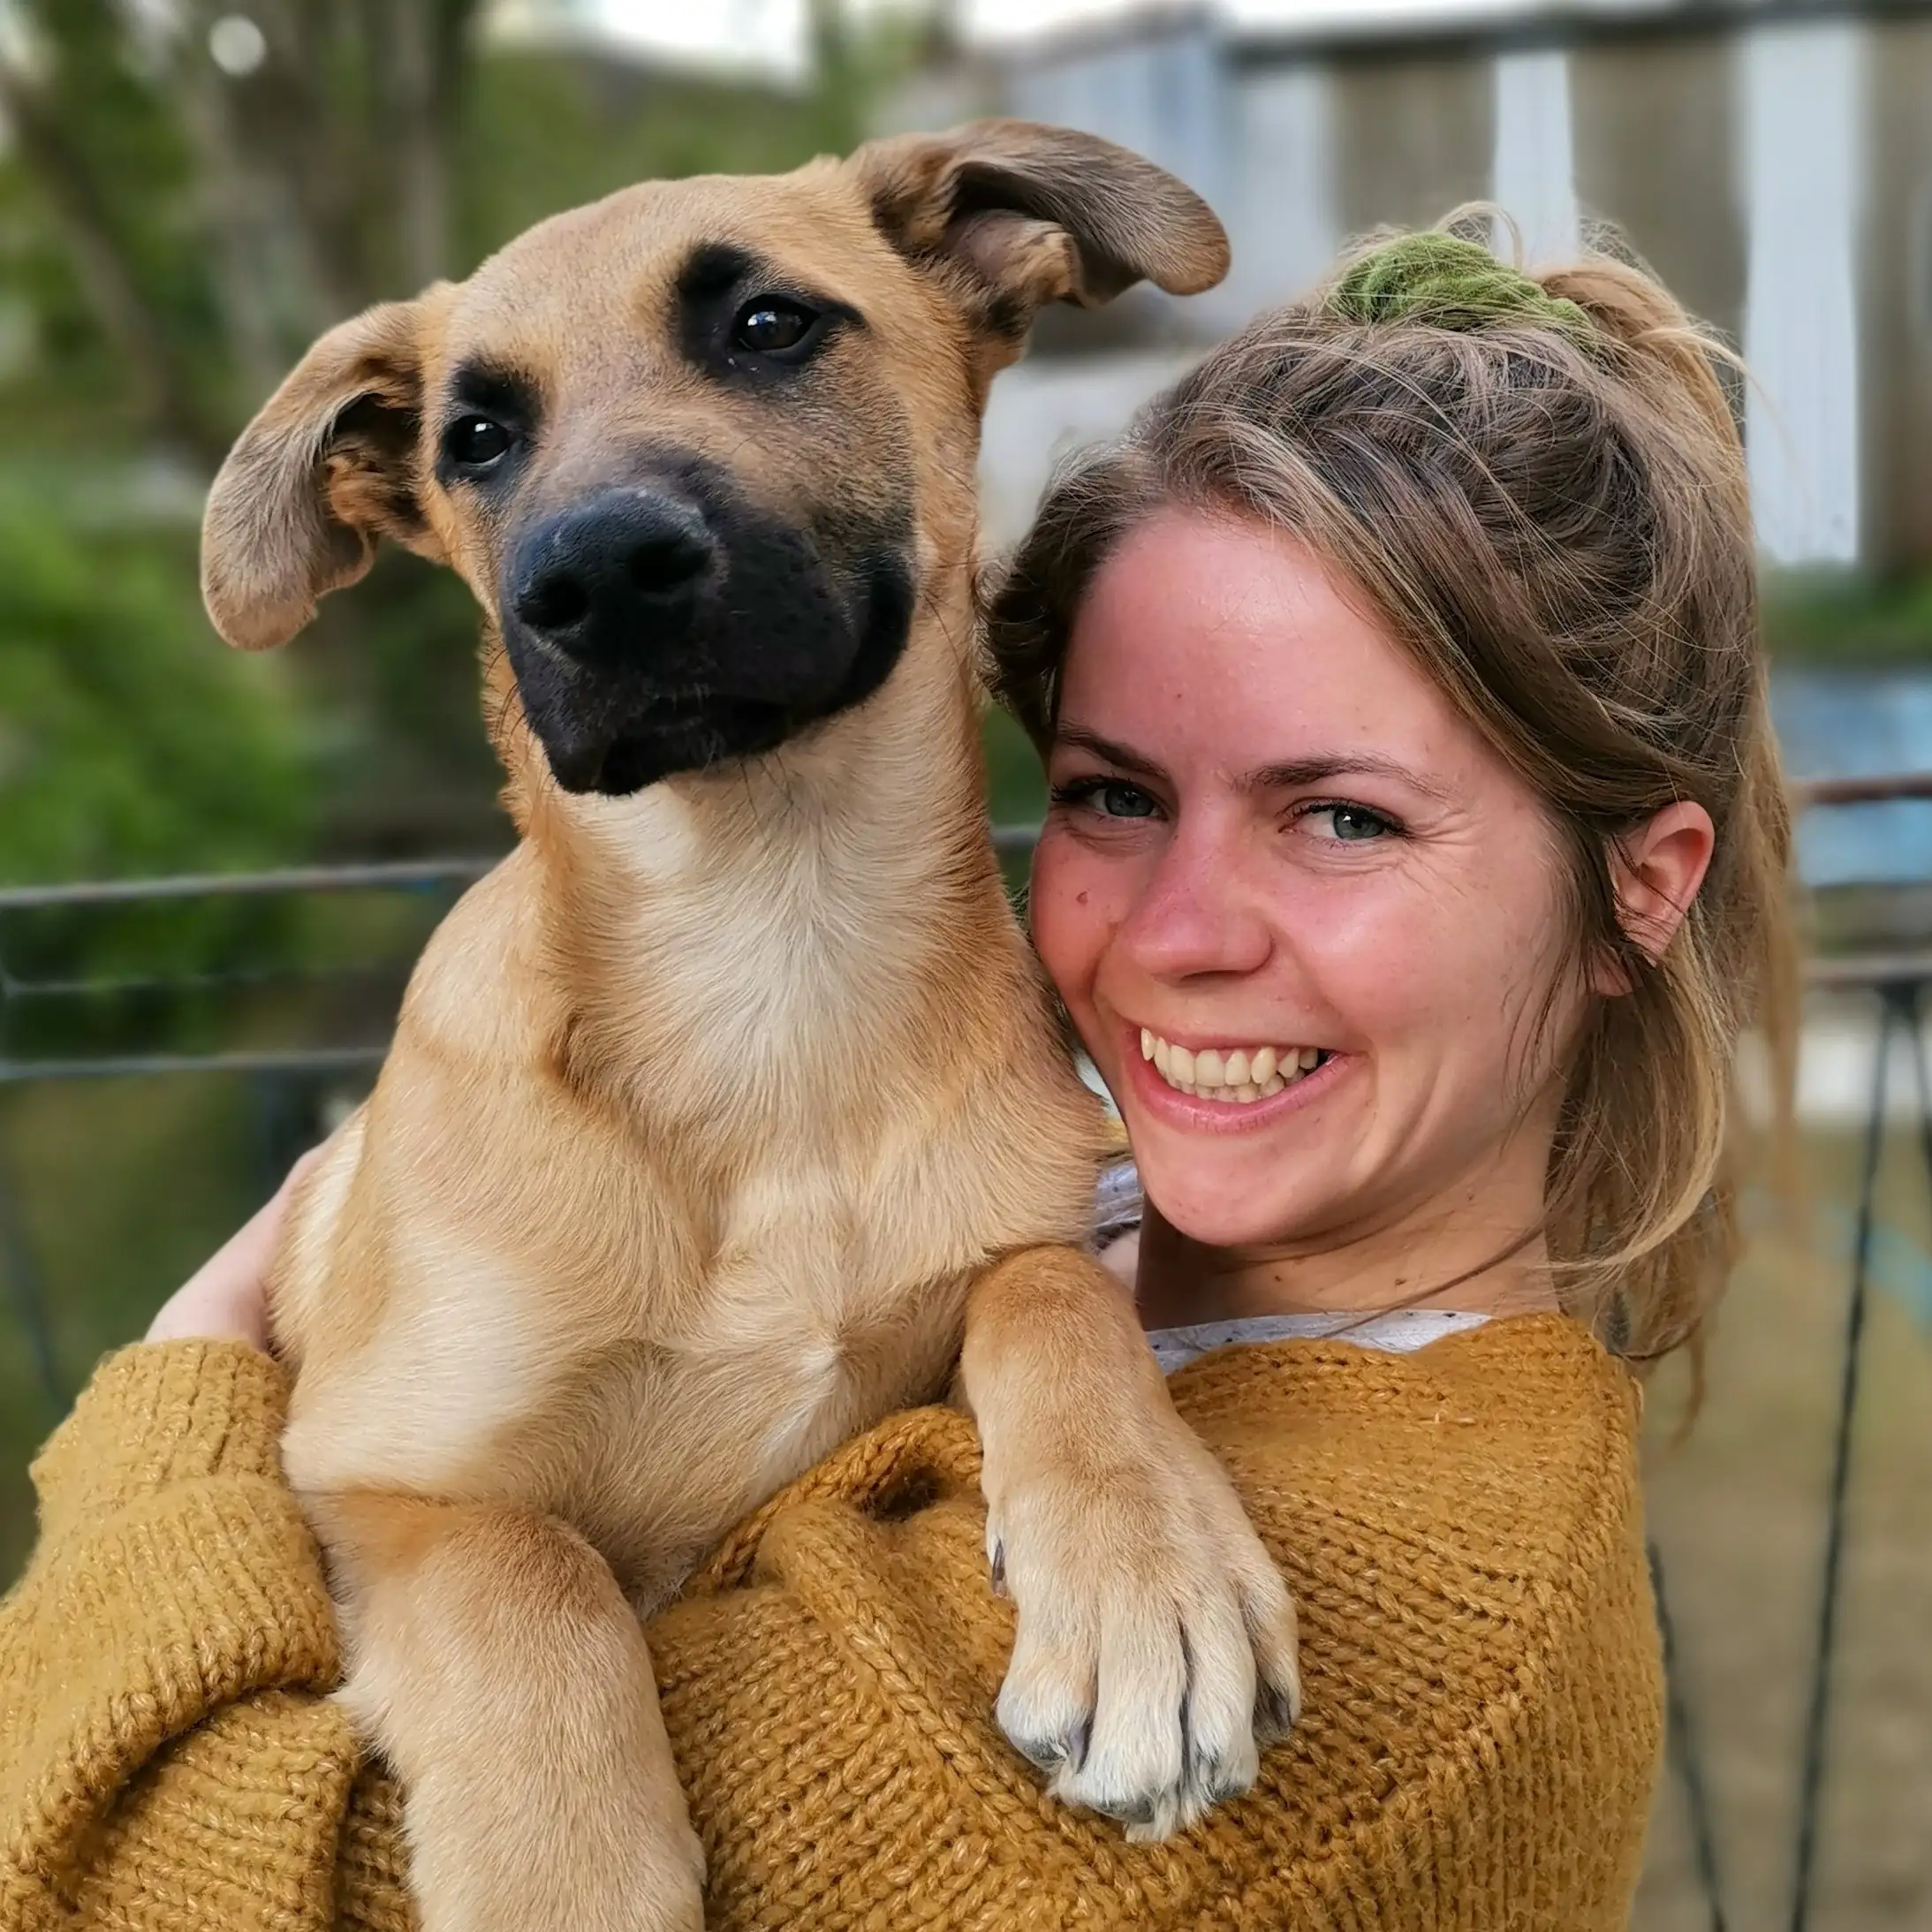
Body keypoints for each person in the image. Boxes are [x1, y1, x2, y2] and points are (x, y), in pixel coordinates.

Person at [0, 226, 1792, 1931]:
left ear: (1639, 886)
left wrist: (174, 1396)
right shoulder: (1059, 1202)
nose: (1178, 934)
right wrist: (1047, 1328)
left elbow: (83, 1874)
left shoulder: (1376, 1668)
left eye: (1343, 816)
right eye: (1109, 793)